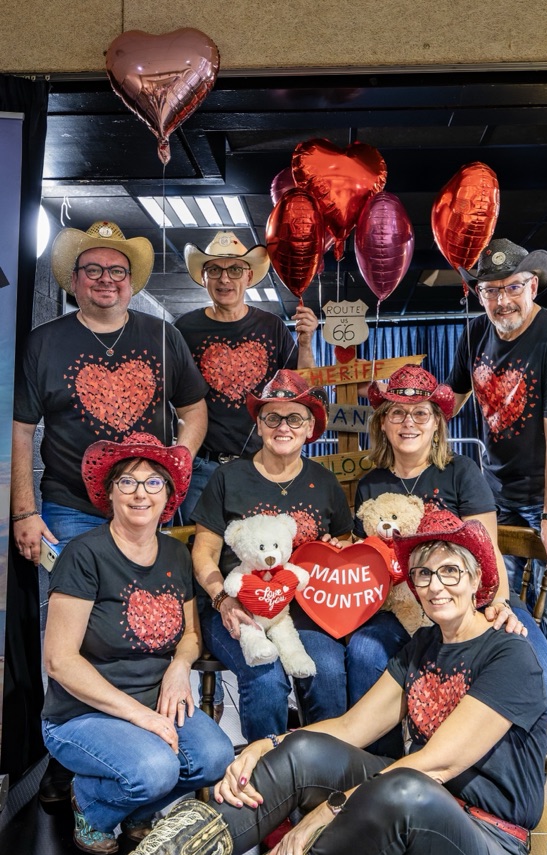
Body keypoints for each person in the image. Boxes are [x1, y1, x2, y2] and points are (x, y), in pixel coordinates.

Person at [8, 509, 547, 855]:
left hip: (487, 849)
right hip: (410, 812)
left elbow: (440, 763)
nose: (434, 587)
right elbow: (352, 726)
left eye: (450, 572)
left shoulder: (510, 656)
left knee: (405, 785)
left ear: (478, 578)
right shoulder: (424, 646)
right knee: (308, 749)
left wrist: (323, 813)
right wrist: (268, 745)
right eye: (425, 573)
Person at [447, 237, 547, 812]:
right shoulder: (477, 334)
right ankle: (518, 733)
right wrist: (399, 399)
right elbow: (451, 400)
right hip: (496, 493)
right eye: (491, 291)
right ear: (479, 295)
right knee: (498, 611)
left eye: (514, 288)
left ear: (532, 286)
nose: (503, 300)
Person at [36, 432, 234, 855]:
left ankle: (136, 808)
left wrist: (180, 668)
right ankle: (91, 803)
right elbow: (59, 661)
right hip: (83, 713)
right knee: (155, 767)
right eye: (127, 481)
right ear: (109, 493)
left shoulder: (176, 555)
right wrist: (142, 719)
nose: (140, 493)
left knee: (215, 757)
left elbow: (190, 635)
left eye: (152, 482)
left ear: (169, 495)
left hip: (155, 700)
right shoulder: (83, 555)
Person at [353, 364, 547, 726]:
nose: (408, 423)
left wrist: (498, 604)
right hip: (402, 605)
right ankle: (380, 763)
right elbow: (367, 558)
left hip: (474, 600)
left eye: (421, 413)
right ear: (383, 424)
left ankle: (486, 762)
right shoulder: (370, 484)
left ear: (436, 423)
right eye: (397, 413)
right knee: (363, 653)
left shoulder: (461, 471)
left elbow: (487, 549)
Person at [11, 220, 209, 565]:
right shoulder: (42, 343)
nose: (106, 279)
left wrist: (175, 465)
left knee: (145, 608)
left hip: (147, 504)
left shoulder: (164, 336)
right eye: (93, 269)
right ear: (74, 280)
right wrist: (24, 512)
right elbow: (21, 429)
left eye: (118, 271)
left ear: (131, 282)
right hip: (71, 506)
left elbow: (194, 410)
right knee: (78, 607)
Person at [190, 370, 353, 743]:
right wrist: (222, 599)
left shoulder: (325, 482)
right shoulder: (228, 477)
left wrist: (335, 546)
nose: (283, 426)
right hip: (237, 604)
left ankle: (322, 772)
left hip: (307, 609)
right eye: (272, 417)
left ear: (311, 426)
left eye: (294, 417)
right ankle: (267, 779)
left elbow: (343, 541)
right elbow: (204, 552)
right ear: (259, 424)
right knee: (264, 675)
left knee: (327, 670)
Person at [175, 231, 319, 521]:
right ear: (203, 278)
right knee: (199, 549)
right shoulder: (184, 328)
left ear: (249, 276)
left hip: (264, 464)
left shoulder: (271, 325)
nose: (224, 279)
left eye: (235, 270)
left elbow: (302, 390)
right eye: (214, 270)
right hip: (202, 467)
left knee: (264, 549)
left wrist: (305, 343)